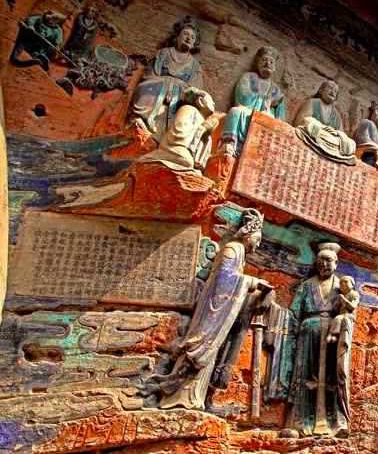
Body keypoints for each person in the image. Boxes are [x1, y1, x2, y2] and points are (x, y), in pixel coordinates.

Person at [139, 209, 273, 410]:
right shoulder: (232, 250)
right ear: (248, 234)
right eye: (258, 239)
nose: (258, 244)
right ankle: (178, 397)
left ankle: (196, 398)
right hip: (212, 310)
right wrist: (253, 282)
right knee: (199, 349)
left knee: (210, 354)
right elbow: (223, 281)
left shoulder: (240, 254)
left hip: (220, 311)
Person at [282, 243, 353, 438]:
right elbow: (294, 313)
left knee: (333, 376)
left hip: (333, 334)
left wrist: (342, 321)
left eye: (328, 260)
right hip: (309, 332)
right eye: (320, 260)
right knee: (304, 375)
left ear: (336, 263)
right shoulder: (307, 286)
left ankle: (336, 422)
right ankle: (299, 422)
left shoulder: (342, 288)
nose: (324, 264)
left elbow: (351, 312)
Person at [130, 16, 203, 142]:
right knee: (143, 89)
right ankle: (142, 121)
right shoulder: (164, 53)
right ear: (177, 36)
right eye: (185, 34)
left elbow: (196, 88)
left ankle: (171, 135)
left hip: (181, 94)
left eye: (192, 37)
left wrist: (177, 87)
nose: (188, 38)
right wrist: (166, 84)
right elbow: (149, 74)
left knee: (189, 109)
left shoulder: (195, 65)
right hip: (157, 87)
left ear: (194, 43)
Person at [220, 46, 286, 157]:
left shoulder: (276, 90)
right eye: (264, 60)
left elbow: (281, 119)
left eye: (271, 62)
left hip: (267, 119)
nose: (267, 64)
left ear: (274, 68)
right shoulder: (248, 77)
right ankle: (229, 144)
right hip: (248, 112)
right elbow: (242, 98)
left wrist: (272, 108)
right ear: (257, 63)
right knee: (235, 112)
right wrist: (267, 101)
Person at [139, 87, 219, 174]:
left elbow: (198, 155)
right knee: (186, 161)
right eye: (210, 100)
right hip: (173, 148)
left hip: (186, 155)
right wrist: (202, 128)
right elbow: (178, 133)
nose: (213, 103)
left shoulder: (202, 120)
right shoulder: (188, 109)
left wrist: (205, 133)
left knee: (190, 164)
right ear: (200, 101)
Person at [294, 80, 356, 165]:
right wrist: (321, 127)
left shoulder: (336, 114)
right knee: (311, 127)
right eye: (330, 88)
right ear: (320, 90)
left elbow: (341, 133)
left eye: (335, 91)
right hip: (316, 134)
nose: (332, 92)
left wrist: (334, 132)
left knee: (350, 143)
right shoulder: (313, 103)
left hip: (329, 140)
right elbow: (300, 121)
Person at [327, 276, 359, 343]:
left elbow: (353, 307)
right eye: (340, 283)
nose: (343, 284)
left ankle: (332, 334)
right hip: (341, 315)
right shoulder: (341, 295)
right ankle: (333, 335)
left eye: (346, 282)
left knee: (338, 318)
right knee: (334, 319)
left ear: (352, 285)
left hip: (350, 315)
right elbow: (334, 310)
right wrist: (338, 303)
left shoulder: (354, 294)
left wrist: (344, 300)